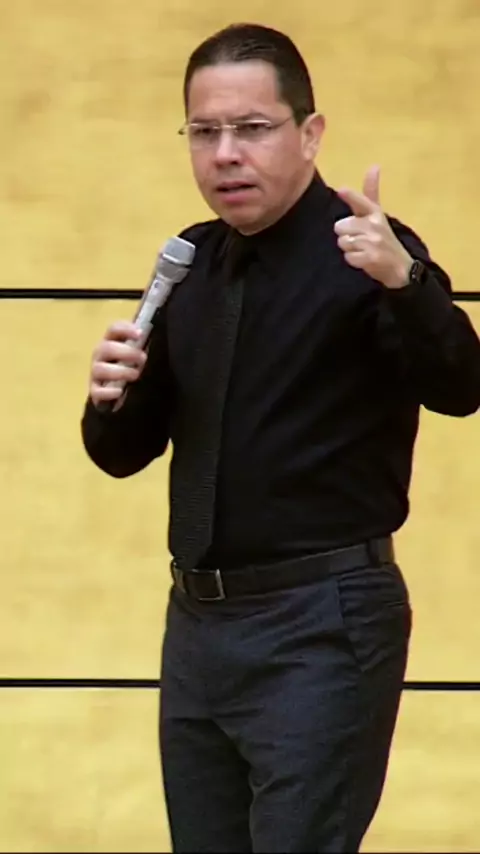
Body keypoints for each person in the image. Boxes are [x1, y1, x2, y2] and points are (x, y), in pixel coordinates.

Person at [80, 22, 480, 854]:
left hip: (321, 623)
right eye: (204, 131)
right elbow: (122, 454)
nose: (225, 154)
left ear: (310, 133)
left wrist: (406, 283)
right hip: (198, 625)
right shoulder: (190, 262)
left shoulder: (367, 252)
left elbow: (461, 388)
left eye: (253, 128)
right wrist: (109, 397)